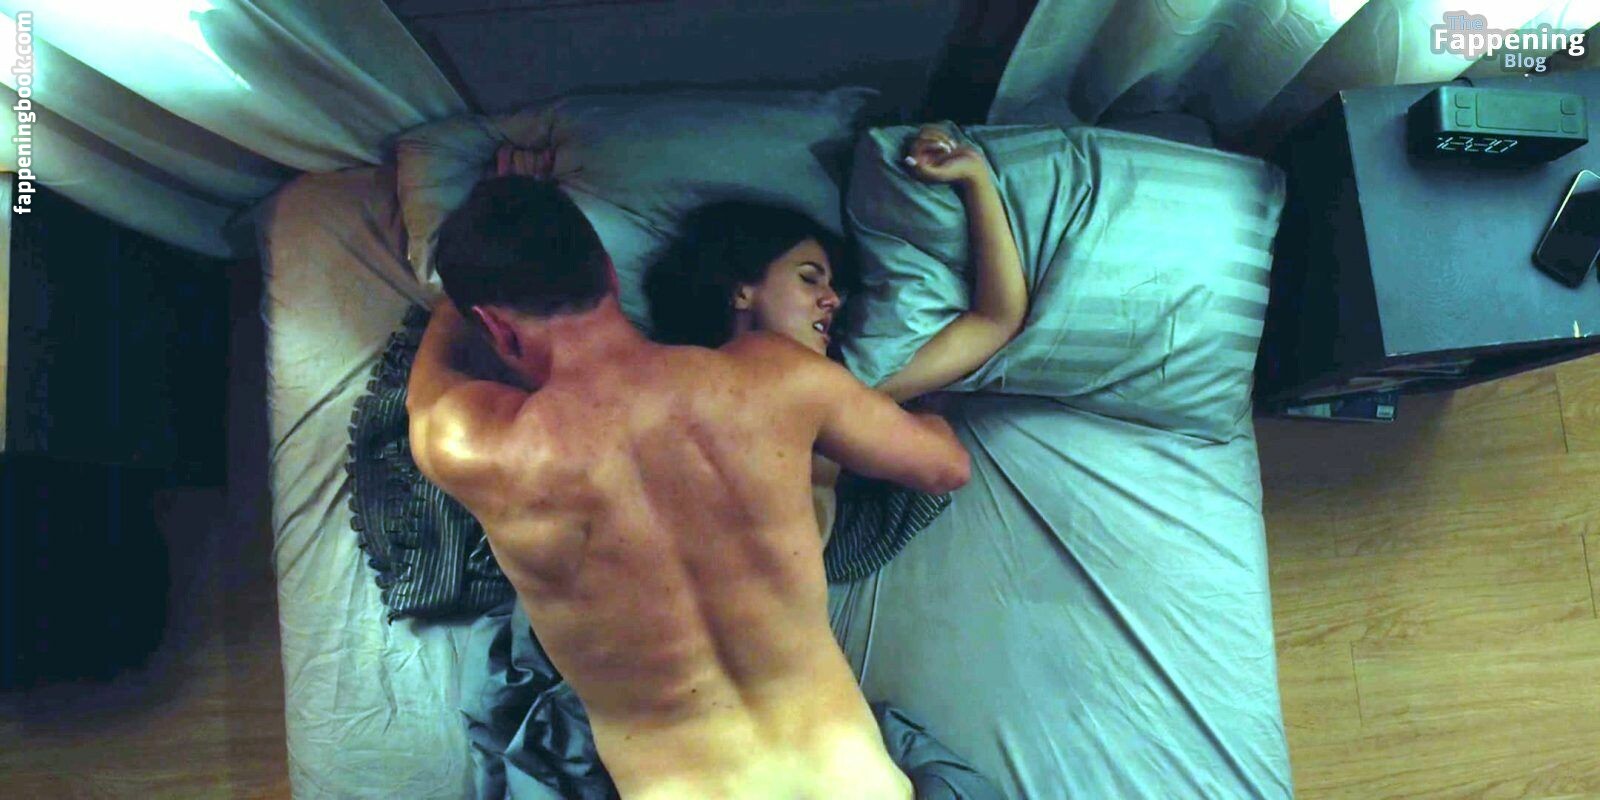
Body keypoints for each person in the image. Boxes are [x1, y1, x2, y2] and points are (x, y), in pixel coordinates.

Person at [406, 173, 972, 799]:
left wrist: (461, 292)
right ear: (609, 275)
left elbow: (426, 388)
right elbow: (945, 466)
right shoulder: (776, 376)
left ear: (494, 326)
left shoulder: (474, 445)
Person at [645, 124, 1028, 543]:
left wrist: (975, 178)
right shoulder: (666, 386)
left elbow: (994, 321)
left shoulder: (850, 388)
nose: (832, 300)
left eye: (830, 286)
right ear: (740, 290)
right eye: (809, 278)